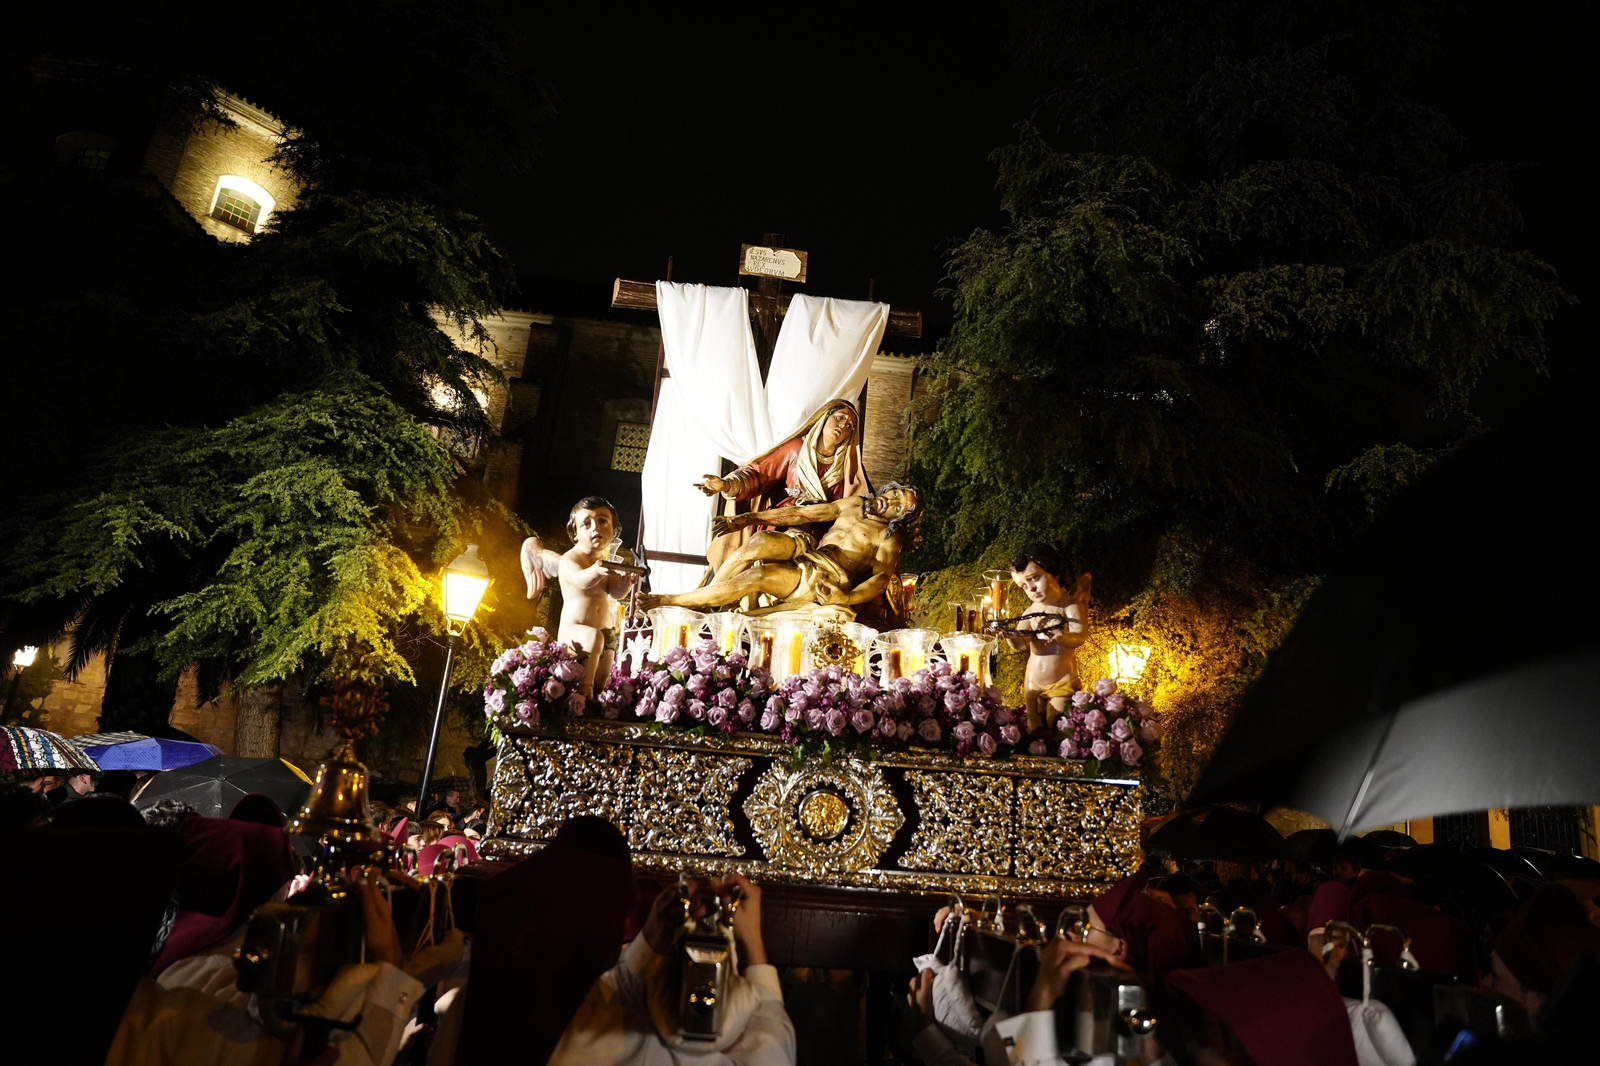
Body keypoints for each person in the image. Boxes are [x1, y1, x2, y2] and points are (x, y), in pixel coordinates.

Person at [640, 485, 922, 617]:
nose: (891, 502)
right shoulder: (854, 503)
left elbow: (880, 580)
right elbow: (804, 514)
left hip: (825, 576)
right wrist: (750, 518)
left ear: (899, 519)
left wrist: (846, 597)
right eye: (896, 495)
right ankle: (707, 599)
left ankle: (670, 599)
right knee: (759, 542)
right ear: (890, 489)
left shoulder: (889, 536)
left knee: (757, 576)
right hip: (811, 552)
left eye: (899, 508)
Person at [695, 399, 869, 573]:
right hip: (782, 521)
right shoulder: (796, 449)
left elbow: (851, 506)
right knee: (759, 552)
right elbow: (760, 474)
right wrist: (726, 484)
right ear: (825, 417)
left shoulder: (846, 469)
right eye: (840, 417)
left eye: (849, 426)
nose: (843, 425)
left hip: (816, 530)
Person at [521, 496, 640, 696]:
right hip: (575, 630)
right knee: (593, 641)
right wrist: (598, 570)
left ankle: (595, 699)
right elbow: (581, 580)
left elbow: (615, 592)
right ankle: (585, 691)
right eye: (586, 523)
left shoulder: (603, 561)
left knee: (603, 673)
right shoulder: (570, 559)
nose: (596, 527)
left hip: (604, 630)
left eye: (603, 521)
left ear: (614, 530)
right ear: (575, 533)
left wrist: (625, 584)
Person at [998, 543, 1092, 730]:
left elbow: (1080, 635)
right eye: (1024, 586)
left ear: (1054, 572)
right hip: (1032, 683)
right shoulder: (1030, 612)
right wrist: (1008, 635)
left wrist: (1065, 638)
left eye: (1035, 578)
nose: (1031, 588)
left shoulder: (1069, 606)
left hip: (1061, 681)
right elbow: (1020, 642)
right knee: (1033, 725)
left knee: (1056, 722)